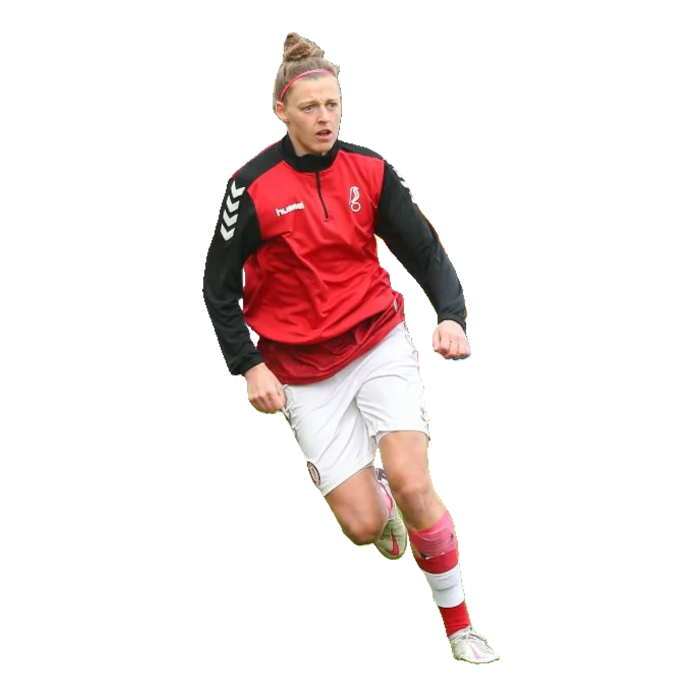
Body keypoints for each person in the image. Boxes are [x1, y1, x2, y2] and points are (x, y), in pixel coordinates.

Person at [203, 32, 498, 664]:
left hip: (376, 340)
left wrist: (452, 317)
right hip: (301, 370)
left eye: (332, 104)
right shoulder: (250, 186)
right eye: (309, 107)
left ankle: (461, 629)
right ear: (281, 110)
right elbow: (217, 288)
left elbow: (425, 251)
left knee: (417, 482)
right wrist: (249, 365)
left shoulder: (372, 170)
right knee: (364, 529)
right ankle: (376, 498)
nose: (324, 118)